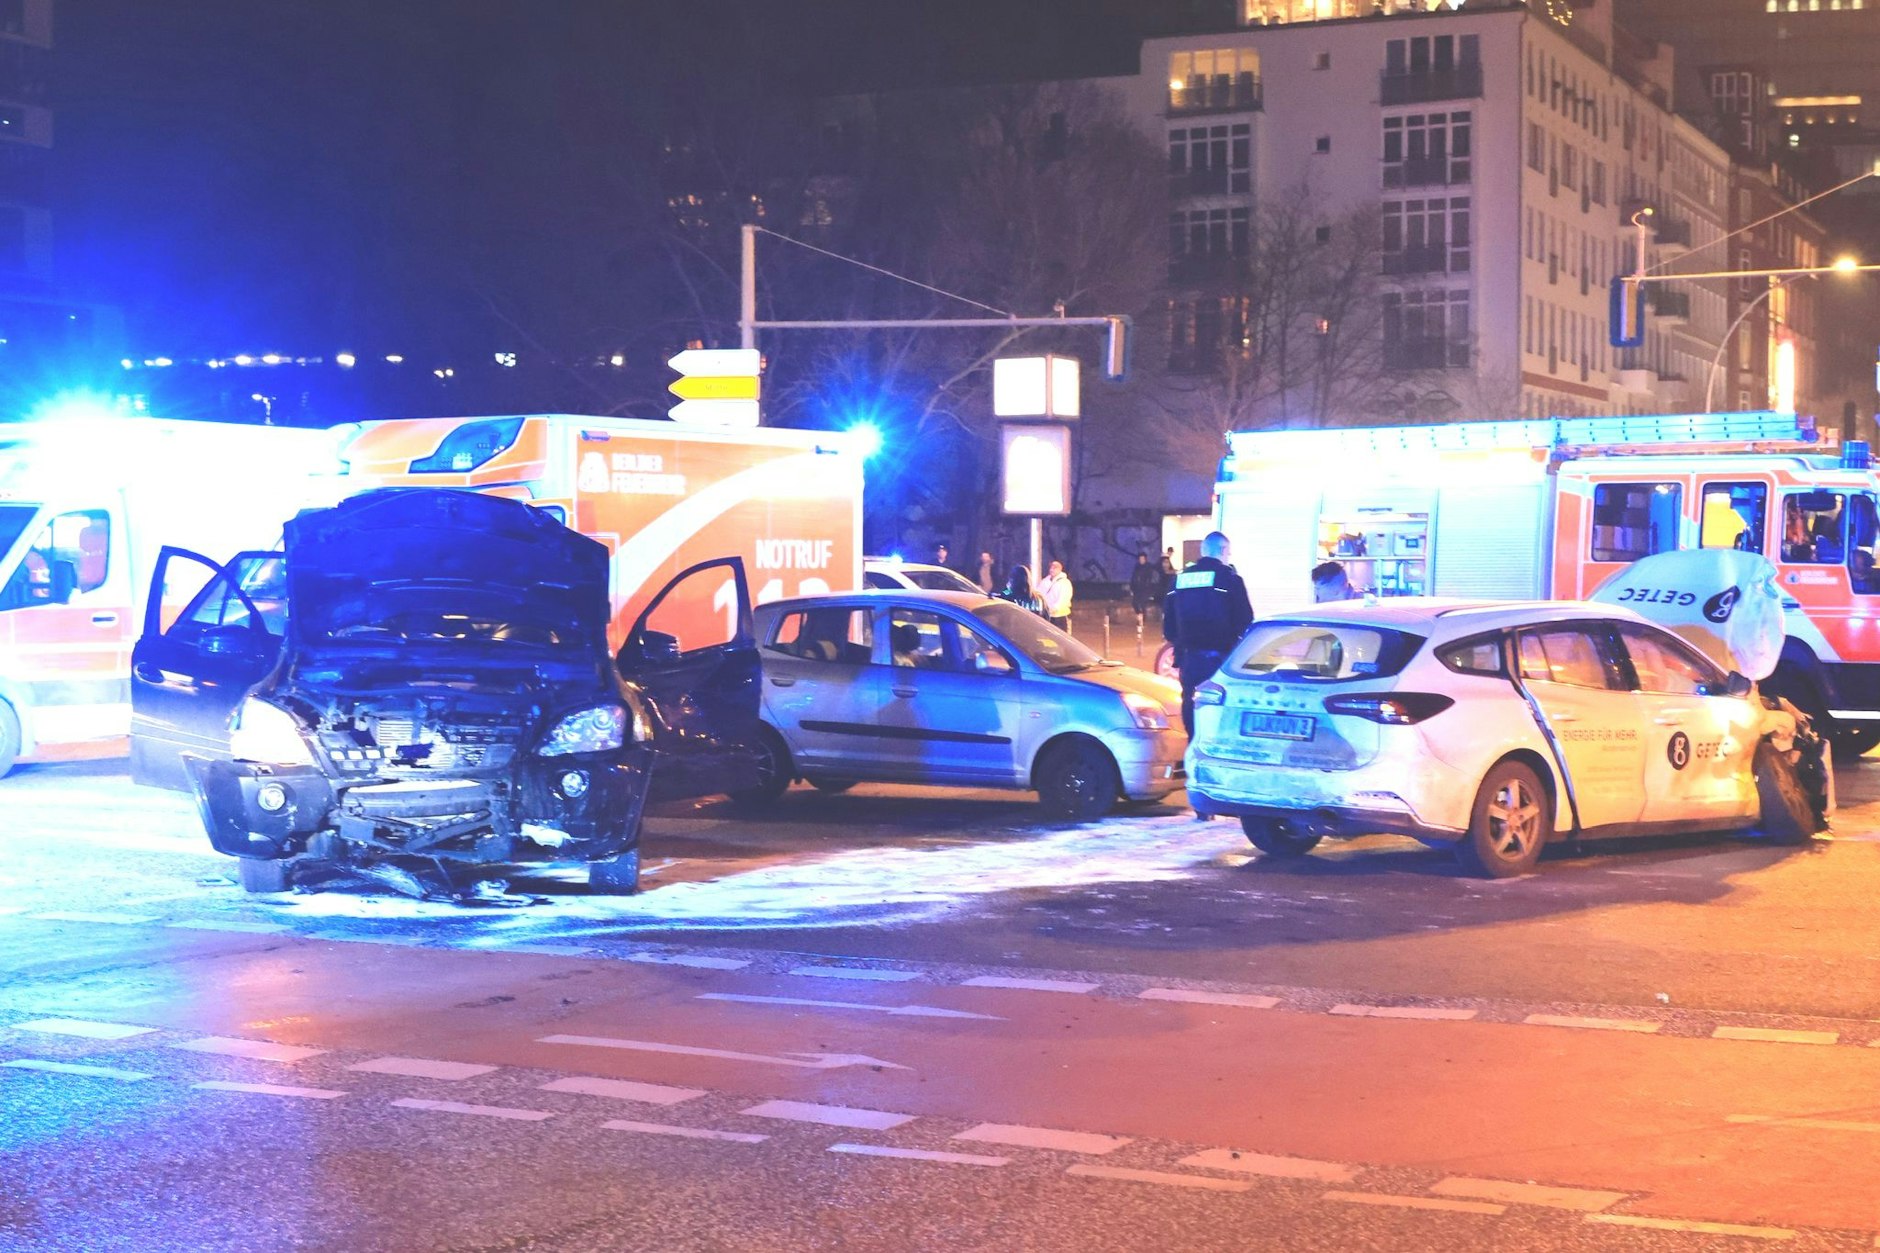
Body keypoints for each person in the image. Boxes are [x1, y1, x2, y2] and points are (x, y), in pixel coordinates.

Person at [1163, 531, 1254, 738]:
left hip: (1189, 660)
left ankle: (1193, 747)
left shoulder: (1180, 579)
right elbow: (1245, 621)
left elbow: (1168, 627)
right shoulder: (1230, 579)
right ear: (1222, 550)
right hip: (1221, 660)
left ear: (1203, 551)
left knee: (1191, 704)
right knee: (1218, 707)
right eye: (1228, 553)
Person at [1038, 560, 1074, 632]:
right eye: (1051, 567)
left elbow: (1063, 599)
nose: (1052, 570)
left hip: (1059, 616)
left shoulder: (1065, 583)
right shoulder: (1045, 581)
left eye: (1055, 568)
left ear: (1060, 569)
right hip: (1046, 615)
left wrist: (1053, 609)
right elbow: (1038, 594)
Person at [1129, 552, 1160, 617]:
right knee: (1134, 603)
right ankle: (1139, 614)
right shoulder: (1137, 566)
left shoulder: (1149, 566)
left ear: (1145, 559)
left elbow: (1151, 577)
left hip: (1146, 588)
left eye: (1142, 559)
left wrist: (1150, 587)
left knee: (1143, 603)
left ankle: (1143, 618)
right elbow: (1134, 577)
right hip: (1137, 588)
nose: (1141, 560)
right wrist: (1132, 587)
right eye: (1140, 559)